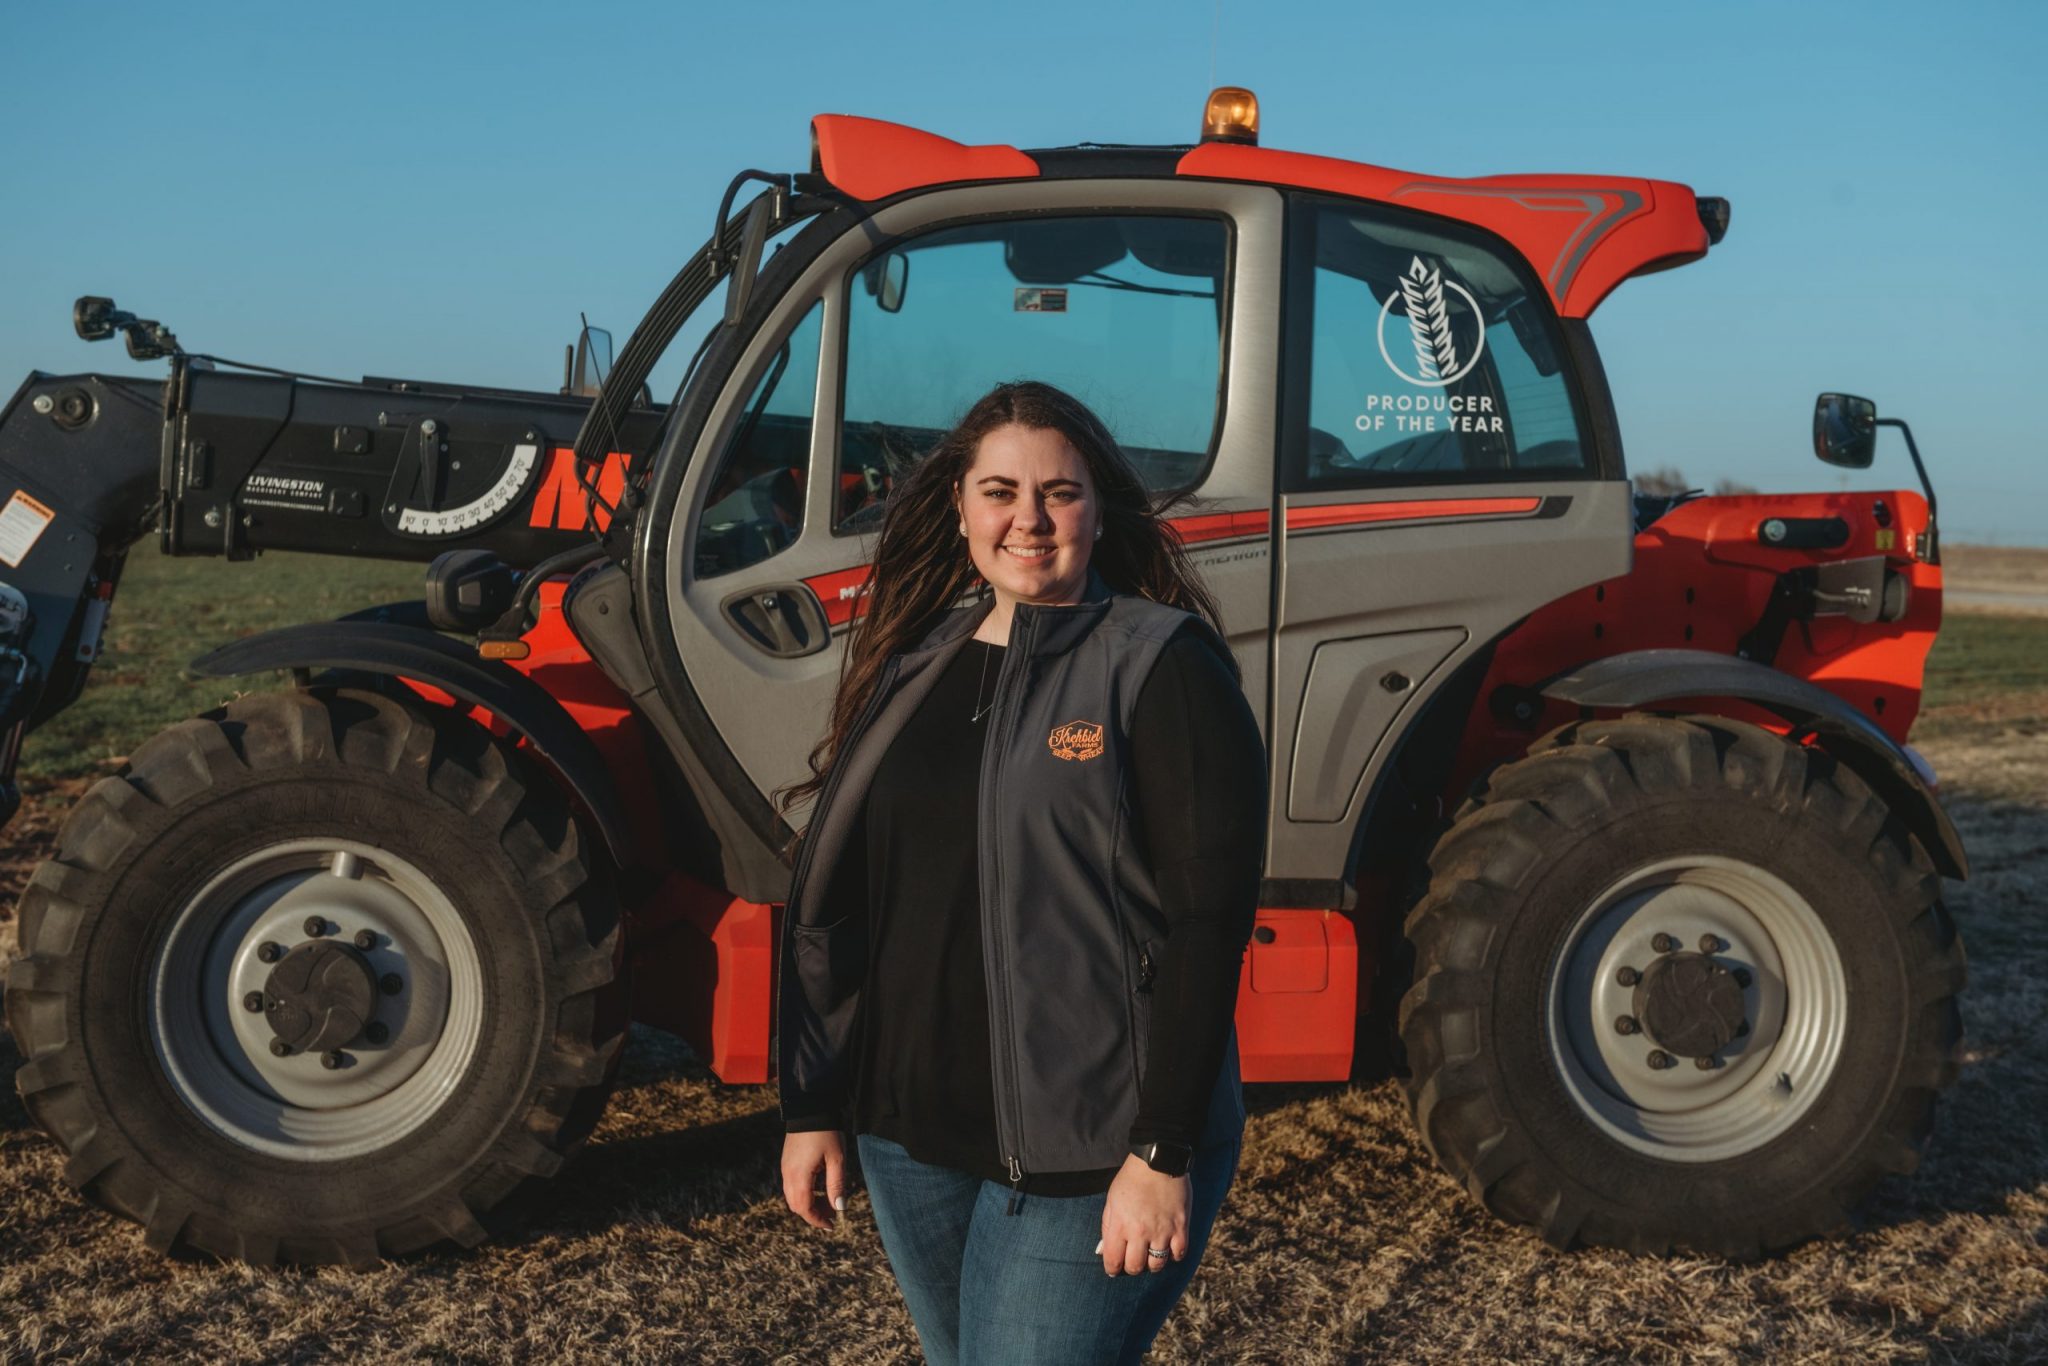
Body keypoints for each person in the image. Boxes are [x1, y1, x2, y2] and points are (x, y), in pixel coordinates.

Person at [775, 380, 1266, 1364]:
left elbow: (1208, 922)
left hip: (1093, 1147)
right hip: (911, 1139)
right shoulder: (914, 664)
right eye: (1000, 492)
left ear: (1099, 511)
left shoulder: (1160, 663)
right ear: (960, 509)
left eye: (1059, 492)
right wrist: (814, 1105)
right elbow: (849, 900)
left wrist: (1161, 1149)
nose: (1028, 519)